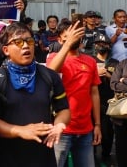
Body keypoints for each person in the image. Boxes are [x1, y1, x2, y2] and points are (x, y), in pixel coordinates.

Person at [0, 22, 70, 167]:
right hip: (7, 158)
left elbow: (63, 109)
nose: (26, 46)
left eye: (29, 41)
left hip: (43, 157)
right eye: (18, 42)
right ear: (6, 50)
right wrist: (21, 131)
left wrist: (59, 125)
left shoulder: (49, 76)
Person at [46, 20, 102, 167]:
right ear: (60, 39)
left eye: (76, 36)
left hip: (85, 129)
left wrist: (97, 124)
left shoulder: (90, 61)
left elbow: (94, 93)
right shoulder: (54, 58)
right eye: (68, 37)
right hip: (61, 129)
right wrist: (66, 45)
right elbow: (50, 74)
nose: (73, 40)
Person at [92, 33, 118, 166]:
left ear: (109, 46)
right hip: (91, 103)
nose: (101, 46)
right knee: (91, 135)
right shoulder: (89, 60)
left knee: (107, 135)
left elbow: (119, 83)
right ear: (95, 45)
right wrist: (95, 74)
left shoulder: (115, 63)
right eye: (99, 44)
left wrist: (107, 75)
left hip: (108, 103)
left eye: (104, 44)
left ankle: (106, 157)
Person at [109, 58, 127, 167]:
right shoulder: (122, 63)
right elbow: (114, 85)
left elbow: (120, 84)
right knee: (121, 147)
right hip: (121, 116)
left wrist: (124, 80)